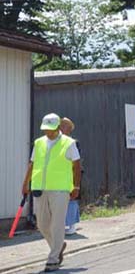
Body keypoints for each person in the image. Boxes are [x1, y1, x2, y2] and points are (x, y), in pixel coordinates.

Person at [21, 113, 81, 272]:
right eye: (45, 129)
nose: (47, 132)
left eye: (50, 129)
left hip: (60, 189)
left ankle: (53, 259)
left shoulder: (68, 143)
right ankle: (59, 246)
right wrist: (26, 183)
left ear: (57, 127)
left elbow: (76, 165)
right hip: (40, 188)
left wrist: (76, 187)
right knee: (42, 224)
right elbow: (32, 164)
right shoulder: (39, 143)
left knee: (57, 224)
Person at [59, 117, 80, 236]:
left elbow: (76, 163)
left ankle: (72, 226)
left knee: (71, 200)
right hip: (61, 175)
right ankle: (65, 225)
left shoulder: (72, 142)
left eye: (63, 126)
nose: (61, 128)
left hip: (70, 174)